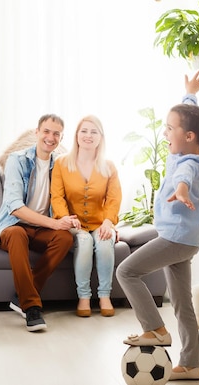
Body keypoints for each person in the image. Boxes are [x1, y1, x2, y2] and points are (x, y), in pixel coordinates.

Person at [116, 73, 199, 381]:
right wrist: (190, 94)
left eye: (170, 129)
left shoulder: (190, 163)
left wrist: (183, 190)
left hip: (176, 240)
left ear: (188, 136)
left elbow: (183, 177)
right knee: (183, 304)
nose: (165, 132)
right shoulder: (195, 148)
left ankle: (155, 330)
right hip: (186, 240)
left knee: (126, 272)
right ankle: (190, 365)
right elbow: (189, 117)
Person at [0, 114, 76, 332]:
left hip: (41, 229)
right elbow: (15, 207)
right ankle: (32, 308)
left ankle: (21, 296)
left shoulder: (61, 164)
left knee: (65, 238)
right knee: (18, 234)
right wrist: (54, 223)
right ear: (37, 132)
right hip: (12, 226)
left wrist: (66, 221)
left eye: (56, 134)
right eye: (46, 131)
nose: (50, 137)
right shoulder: (17, 160)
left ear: (61, 137)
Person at [50, 115, 122, 317]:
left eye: (93, 132)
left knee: (105, 241)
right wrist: (66, 219)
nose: (88, 136)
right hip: (72, 222)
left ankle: (104, 296)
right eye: (84, 131)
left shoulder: (109, 166)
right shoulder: (62, 163)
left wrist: (108, 222)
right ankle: (83, 297)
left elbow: (113, 199)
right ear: (76, 135)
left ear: (101, 137)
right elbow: (57, 197)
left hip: (100, 222)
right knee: (83, 242)